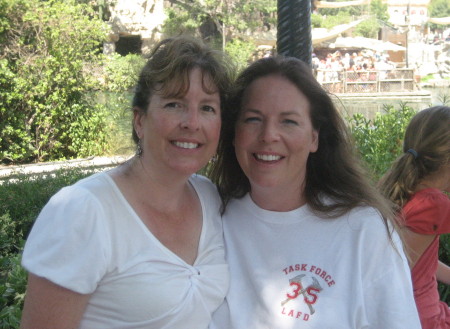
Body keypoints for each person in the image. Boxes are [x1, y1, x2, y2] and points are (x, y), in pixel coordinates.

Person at [20, 35, 233, 329]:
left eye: (208, 108)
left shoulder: (210, 198)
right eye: (174, 104)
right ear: (139, 120)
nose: (192, 123)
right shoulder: (83, 211)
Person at [209, 56, 421, 329]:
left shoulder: (362, 230)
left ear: (314, 138)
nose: (268, 135)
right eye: (253, 119)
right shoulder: (210, 217)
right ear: (234, 132)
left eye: (289, 122)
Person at [379, 105, 450, 329]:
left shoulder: (407, 192)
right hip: (420, 317)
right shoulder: (433, 204)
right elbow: (396, 271)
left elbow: (417, 258)